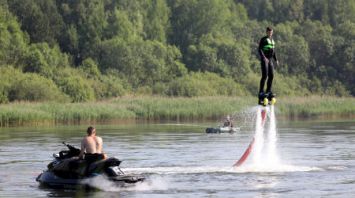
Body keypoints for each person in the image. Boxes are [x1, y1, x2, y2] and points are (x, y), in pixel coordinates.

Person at [258, 27, 279, 99]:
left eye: (271, 32)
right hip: (265, 60)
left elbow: (273, 51)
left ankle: (268, 91)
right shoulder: (263, 39)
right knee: (265, 75)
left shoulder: (272, 40)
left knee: (271, 75)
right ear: (266, 32)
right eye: (269, 32)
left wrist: (276, 60)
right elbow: (259, 49)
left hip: (270, 60)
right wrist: (264, 58)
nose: (270, 33)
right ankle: (261, 91)